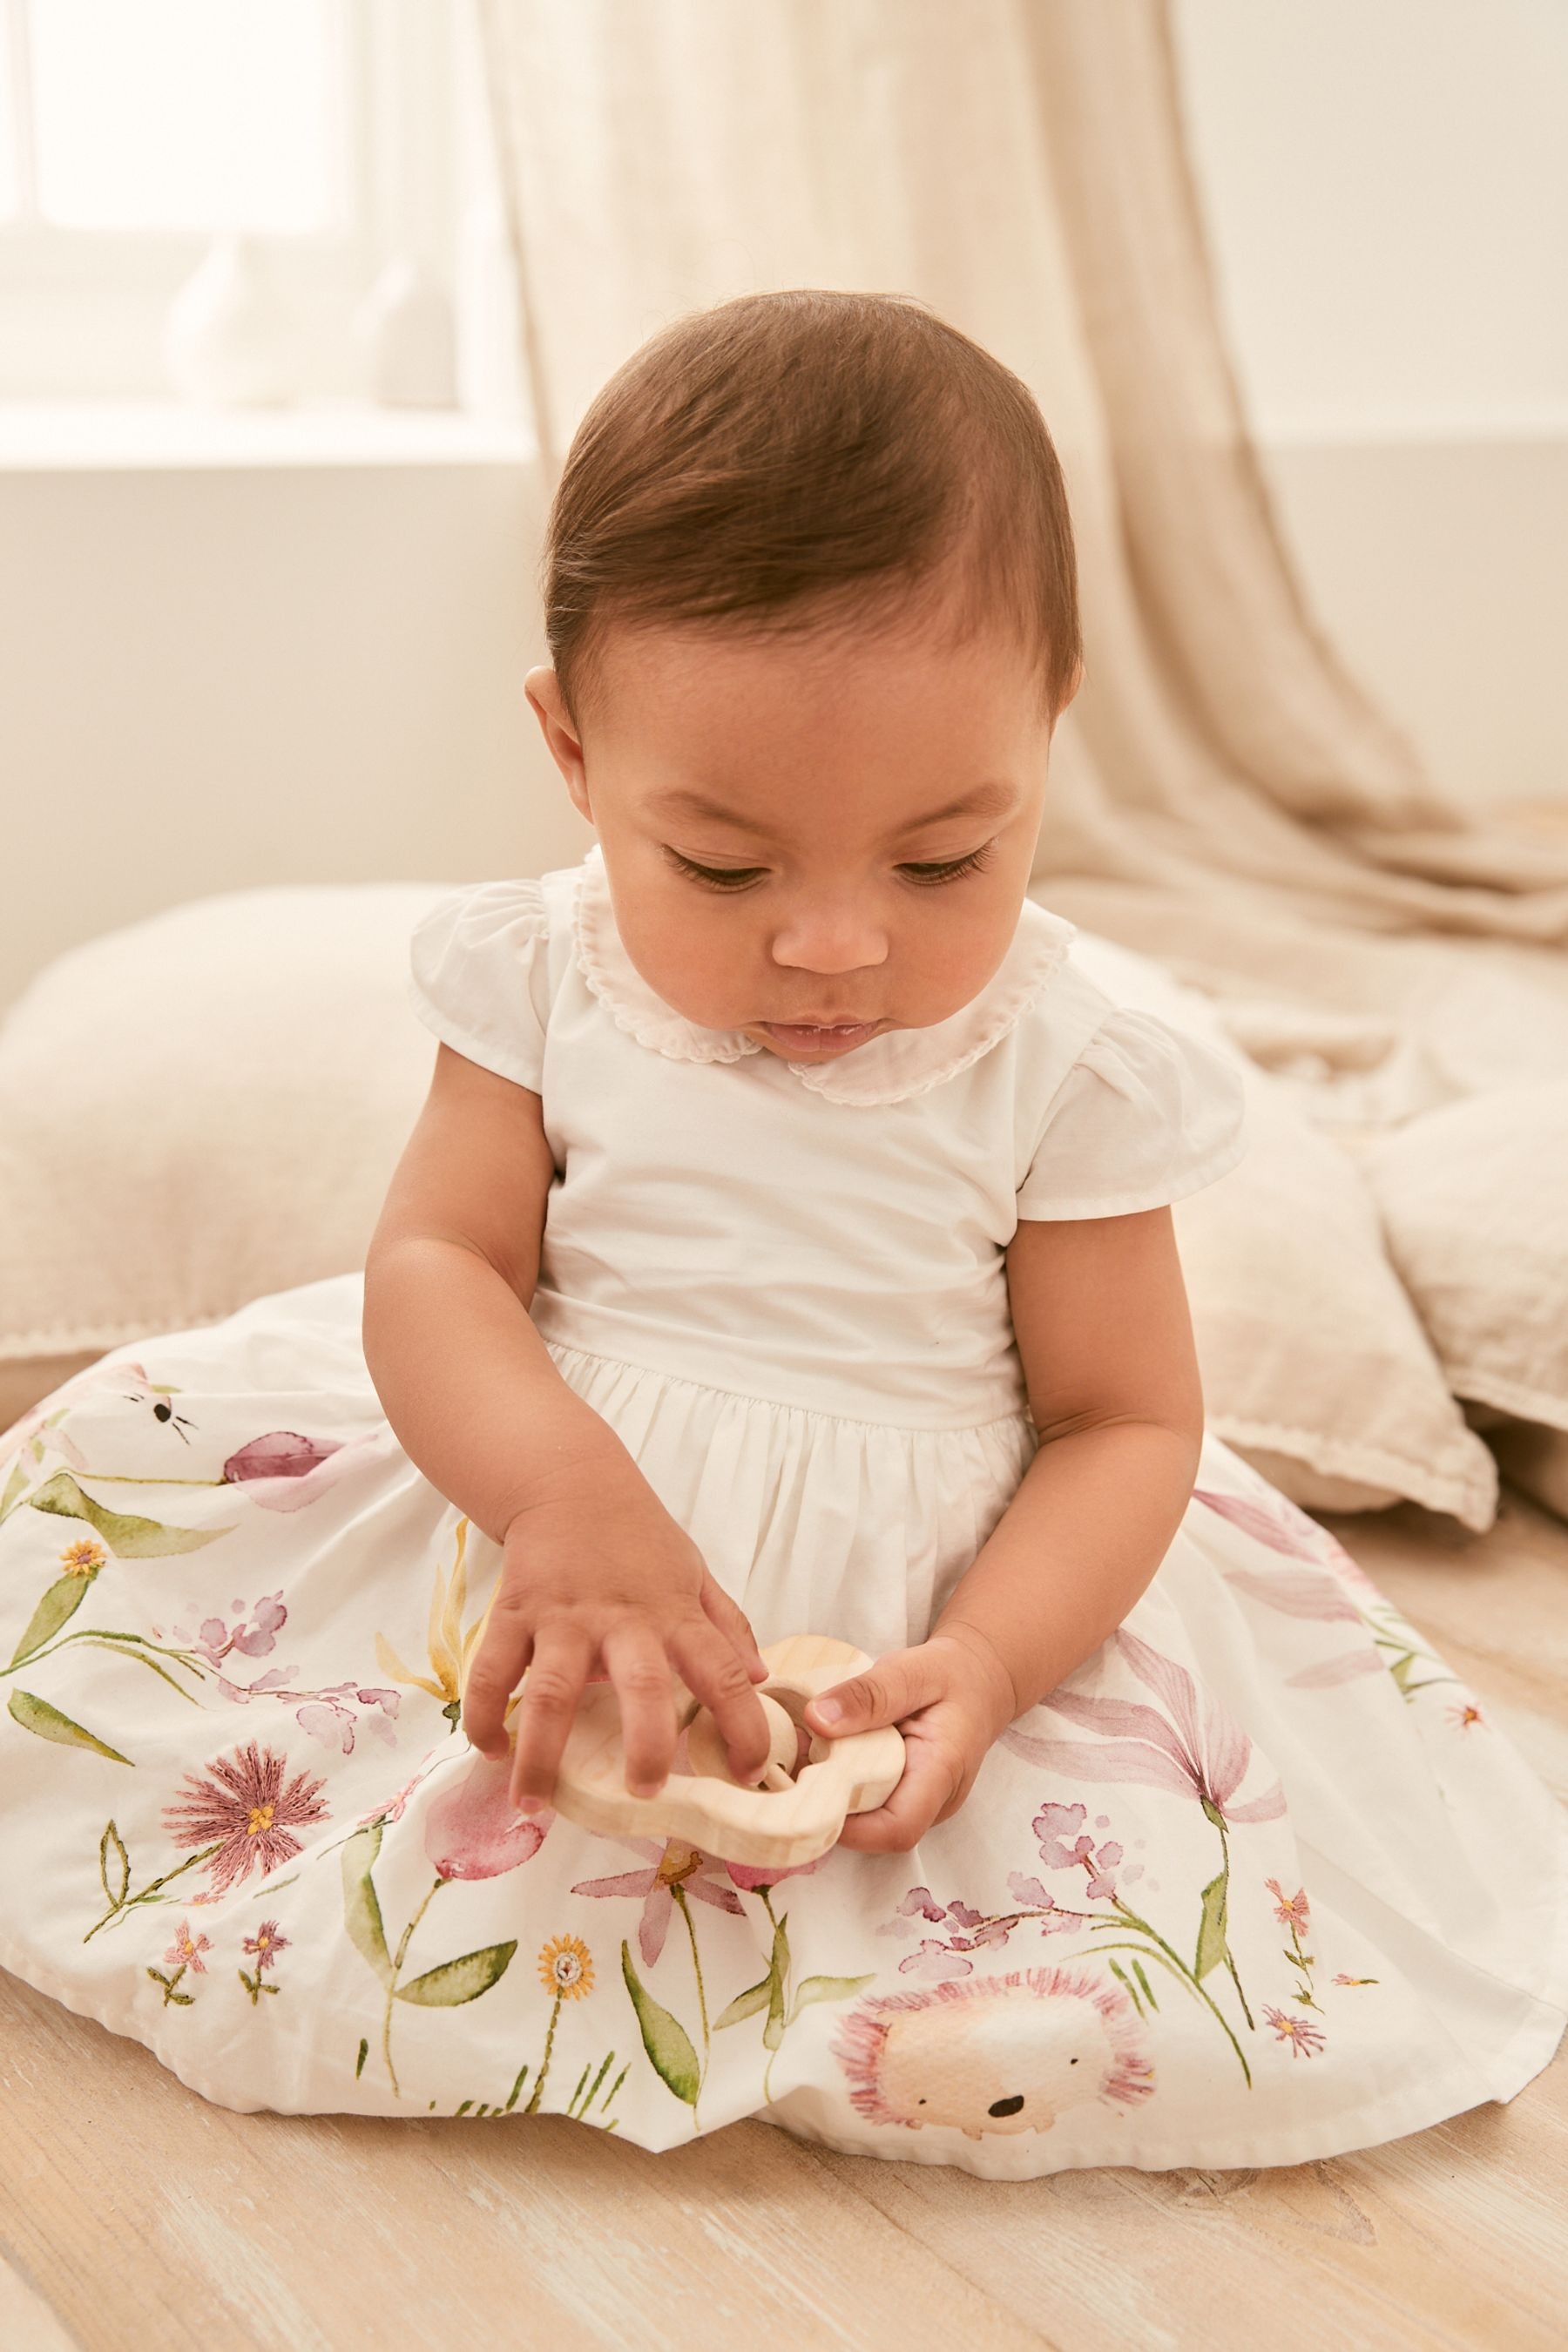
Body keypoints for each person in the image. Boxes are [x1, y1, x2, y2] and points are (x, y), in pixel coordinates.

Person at [1, 292, 1563, 2177]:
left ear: (1050, 738)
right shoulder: (539, 975)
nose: (834, 944)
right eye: (726, 867)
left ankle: (973, 2001)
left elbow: (1125, 1419)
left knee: (1078, 1876)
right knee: (248, 1741)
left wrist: (988, 1661)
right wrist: (560, 1497)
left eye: (943, 857)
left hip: (940, 1591)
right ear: (574, 754)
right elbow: (441, 1269)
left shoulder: (1068, 1066)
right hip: (543, 1493)